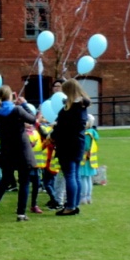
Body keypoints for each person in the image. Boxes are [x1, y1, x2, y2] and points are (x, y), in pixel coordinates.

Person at [0, 86, 38, 222]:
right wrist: (25, 104)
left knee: (5, 180)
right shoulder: (17, 110)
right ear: (11, 96)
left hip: (6, 149)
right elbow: (32, 119)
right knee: (24, 182)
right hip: (22, 149)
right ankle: (21, 213)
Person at [51, 79, 91, 216]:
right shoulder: (82, 107)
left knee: (69, 175)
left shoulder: (68, 110)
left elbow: (61, 129)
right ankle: (74, 203)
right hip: (78, 143)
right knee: (76, 175)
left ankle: (70, 206)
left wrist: (53, 133)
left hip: (66, 144)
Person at [79, 115, 99, 205]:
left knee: (83, 178)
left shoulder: (86, 134)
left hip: (85, 159)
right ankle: (88, 197)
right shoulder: (93, 132)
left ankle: (84, 197)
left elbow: (86, 146)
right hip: (91, 159)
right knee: (88, 178)